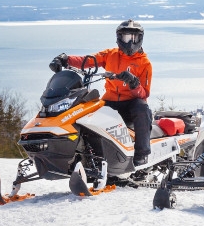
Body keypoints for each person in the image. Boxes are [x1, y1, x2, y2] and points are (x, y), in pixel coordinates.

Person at [49, 19, 153, 166]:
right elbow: (87, 61)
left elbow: (144, 94)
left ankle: (142, 154)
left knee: (142, 109)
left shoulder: (144, 63)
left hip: (131, 103)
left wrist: (133, 83)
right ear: (119, 38)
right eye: (126, 37)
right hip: (110, 100)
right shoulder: (110, 54)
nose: (130, 42)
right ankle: (86, 154)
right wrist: (65, 59)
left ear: (140, 38)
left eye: (133, 38)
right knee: (84, 112)